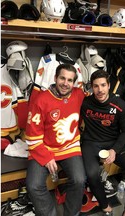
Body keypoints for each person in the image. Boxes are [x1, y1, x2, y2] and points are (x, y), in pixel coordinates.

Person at [25, 63, 86, 216]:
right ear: (55, 78)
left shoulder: (79, 94)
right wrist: (46, 157)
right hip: (43, 147)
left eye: (70, 80)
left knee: (79, 180)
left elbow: (99, 102)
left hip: (70, 147)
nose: (65, 83)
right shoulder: (41, 99)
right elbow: (32, 135)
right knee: (33, 185)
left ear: (74, 82)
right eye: (62, 78)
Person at [80, 70, 125, 216]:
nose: (99, 90)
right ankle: (105, 205)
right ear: (91, 87)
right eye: (96, 86)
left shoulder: (120, 105)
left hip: (113, 142)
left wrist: (114, 150)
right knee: (92, 174)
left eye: (103, 85)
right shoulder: (85, 103)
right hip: (91, 142)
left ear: (109, 85)